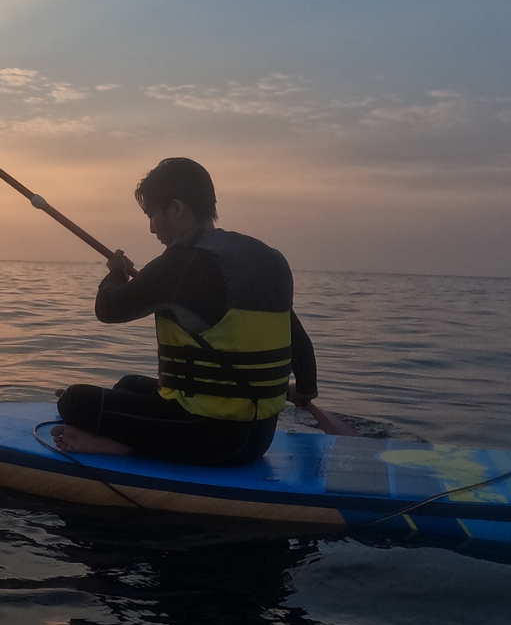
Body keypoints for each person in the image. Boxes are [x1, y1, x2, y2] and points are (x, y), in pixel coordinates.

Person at [51, 157, 318, 466]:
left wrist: (116, 273)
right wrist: (305, 391)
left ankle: (124, 447)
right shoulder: (268, 258)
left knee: (74, 401)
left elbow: (108, 309)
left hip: (211, 438)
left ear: (177, 208)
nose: (151, 228)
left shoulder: (182, 262)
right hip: (259, 436)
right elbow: (299, 341)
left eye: (152, 214)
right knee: (129, 386)